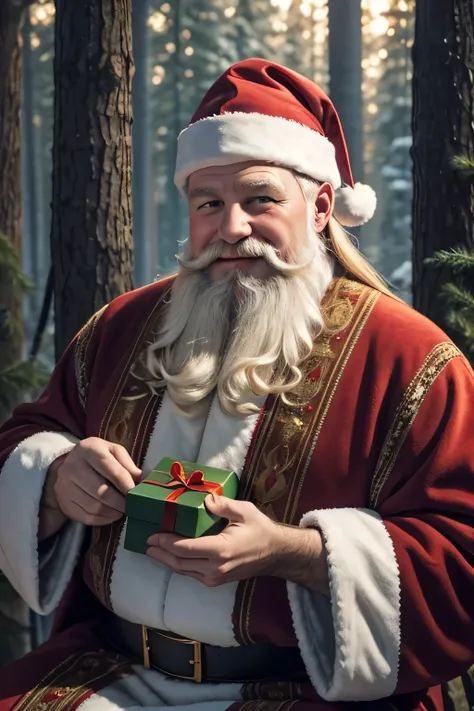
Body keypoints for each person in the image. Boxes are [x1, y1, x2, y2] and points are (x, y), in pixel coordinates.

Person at [0, 58, 473, 711]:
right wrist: (54, 477)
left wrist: (298, 552)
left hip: (304, 690)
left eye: (259, 200)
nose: (231, 228)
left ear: (320, 207)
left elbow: (461, 557)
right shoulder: (121, 327)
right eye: (209, 204)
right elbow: (26, 437)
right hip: (108, 669)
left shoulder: (410, 357)